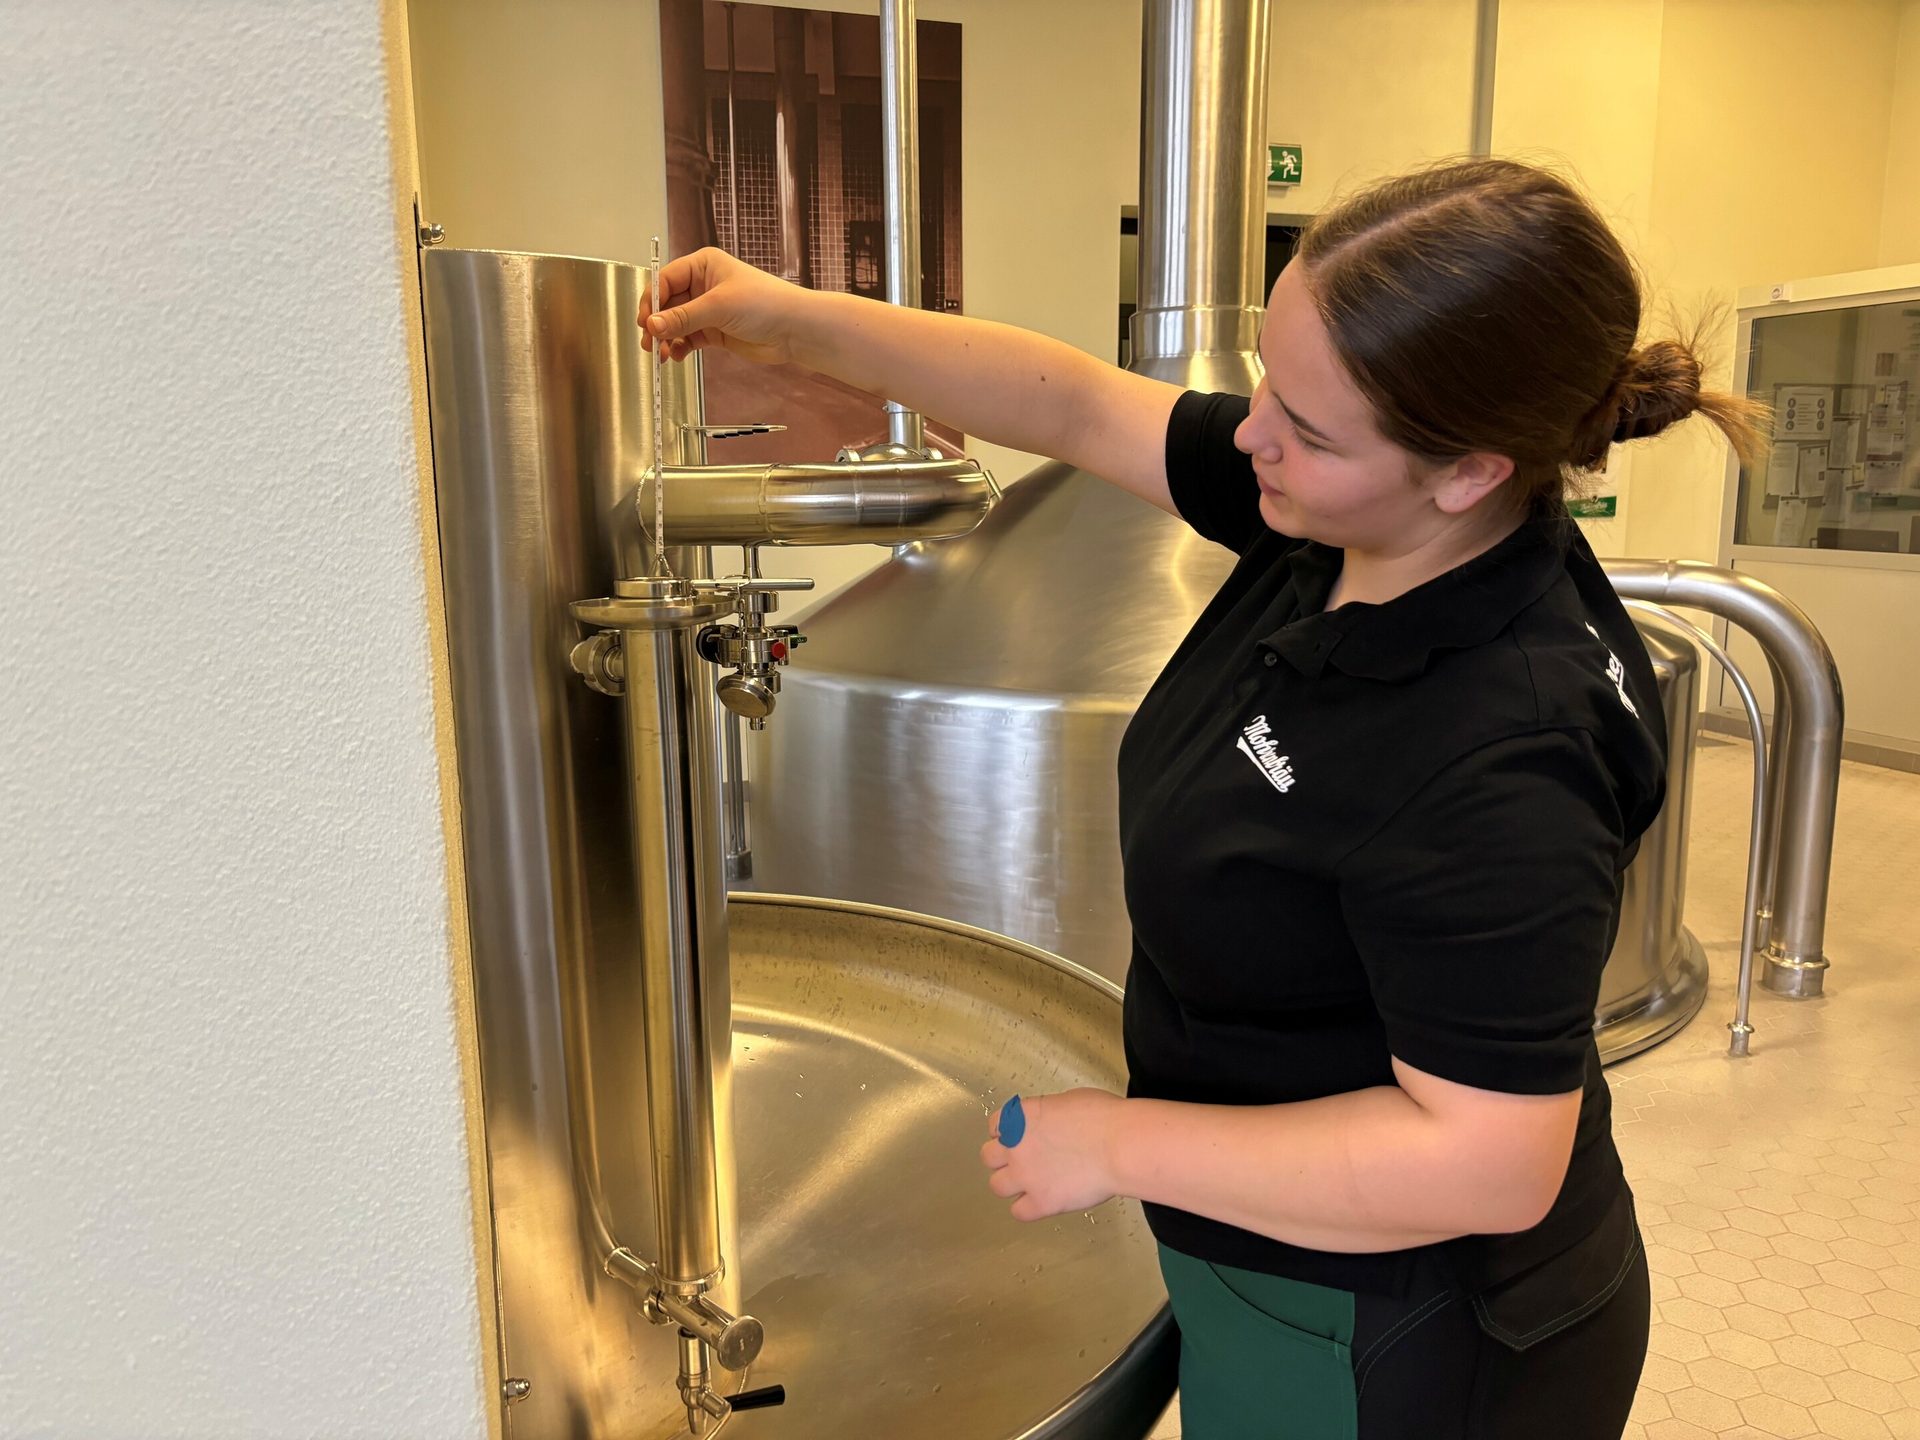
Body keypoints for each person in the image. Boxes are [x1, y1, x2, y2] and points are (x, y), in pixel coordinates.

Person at [638, 157, 1763, 1439]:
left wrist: (1118, 1146)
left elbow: (1492, 1161)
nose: (1250, 432)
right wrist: (792, 315)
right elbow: (1069, 404)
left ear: (1471, 471)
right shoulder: (1345, 524)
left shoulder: (1502, 749)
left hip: (1403, 1334)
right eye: (1272, 380)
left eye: (1309, 424)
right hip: (1278, 1256)